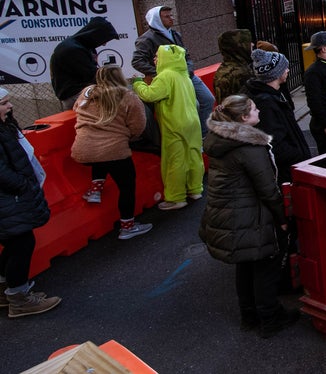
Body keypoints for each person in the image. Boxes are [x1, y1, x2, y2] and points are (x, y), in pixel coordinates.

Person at [199, 95, 298, 338]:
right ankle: (270, 317)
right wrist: (282, 218)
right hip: (251, 215)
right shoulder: (249, 147)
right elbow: (267, 188)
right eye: (254, 109)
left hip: (229, 213)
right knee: (265, 265)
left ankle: (249, 315)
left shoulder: (221, 139)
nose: (259, 111)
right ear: (244, 118)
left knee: (245, 266)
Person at [71, 67, 152, 240]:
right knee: (127, 187)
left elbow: (75, 109)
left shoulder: (86, 92)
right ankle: (127, 226)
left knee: (101, 158)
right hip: (114, 151)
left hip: (83, 150)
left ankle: (95, 189)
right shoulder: (128, 97)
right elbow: (138, 125)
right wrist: (127, 136)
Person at [0, 88, 58, 318]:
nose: (9, 106)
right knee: (21, 243)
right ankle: (19, 298)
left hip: (9, 199)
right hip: (8, 199)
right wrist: (23, 184)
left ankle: (6, 289)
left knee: (16, 242)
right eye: (4, 103)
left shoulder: (5, 127)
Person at [134, 44, 204, 211]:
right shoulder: (184, 76)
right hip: (192, 122)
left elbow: (150, 95)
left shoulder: (165, 76)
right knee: (193, 156)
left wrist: (137, 84)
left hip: (174, 124)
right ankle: (195, 189)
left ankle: (176, 198)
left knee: (175, 161)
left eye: (157, 56)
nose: (155, 59)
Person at [133, 6, 215, 136]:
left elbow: (186, 55)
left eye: (171, 15)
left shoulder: (175, 34)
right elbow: (137, 61)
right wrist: (161, 73)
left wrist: (189, 69)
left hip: (187, 75)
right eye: (167, 16)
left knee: (208, 99)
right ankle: (195, 135)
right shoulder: (146, 39)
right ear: (156, 19)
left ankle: (203, 134)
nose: (171, 18)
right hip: (171, 79)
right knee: (195, 104)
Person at [245, 49, 310, 183]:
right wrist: (298, 154)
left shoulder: (273, 95)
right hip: (287, 173)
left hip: (291, 167)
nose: (288, 70)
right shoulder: (266, 103)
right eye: (284, 67)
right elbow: (274, 144)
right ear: (276, 73)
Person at [49, 16, 119, 105]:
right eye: (103, 40)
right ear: (96, 35)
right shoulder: (73, 50)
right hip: (74, 94)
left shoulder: (81, 46)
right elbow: (92, 75)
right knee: (118, 97)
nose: (104, 44)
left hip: (79, 91)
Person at [213, 29, 254, 102]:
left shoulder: (243, 65)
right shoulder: (230, 74)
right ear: (239, 46)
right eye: (247, 42)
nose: (252, 44)